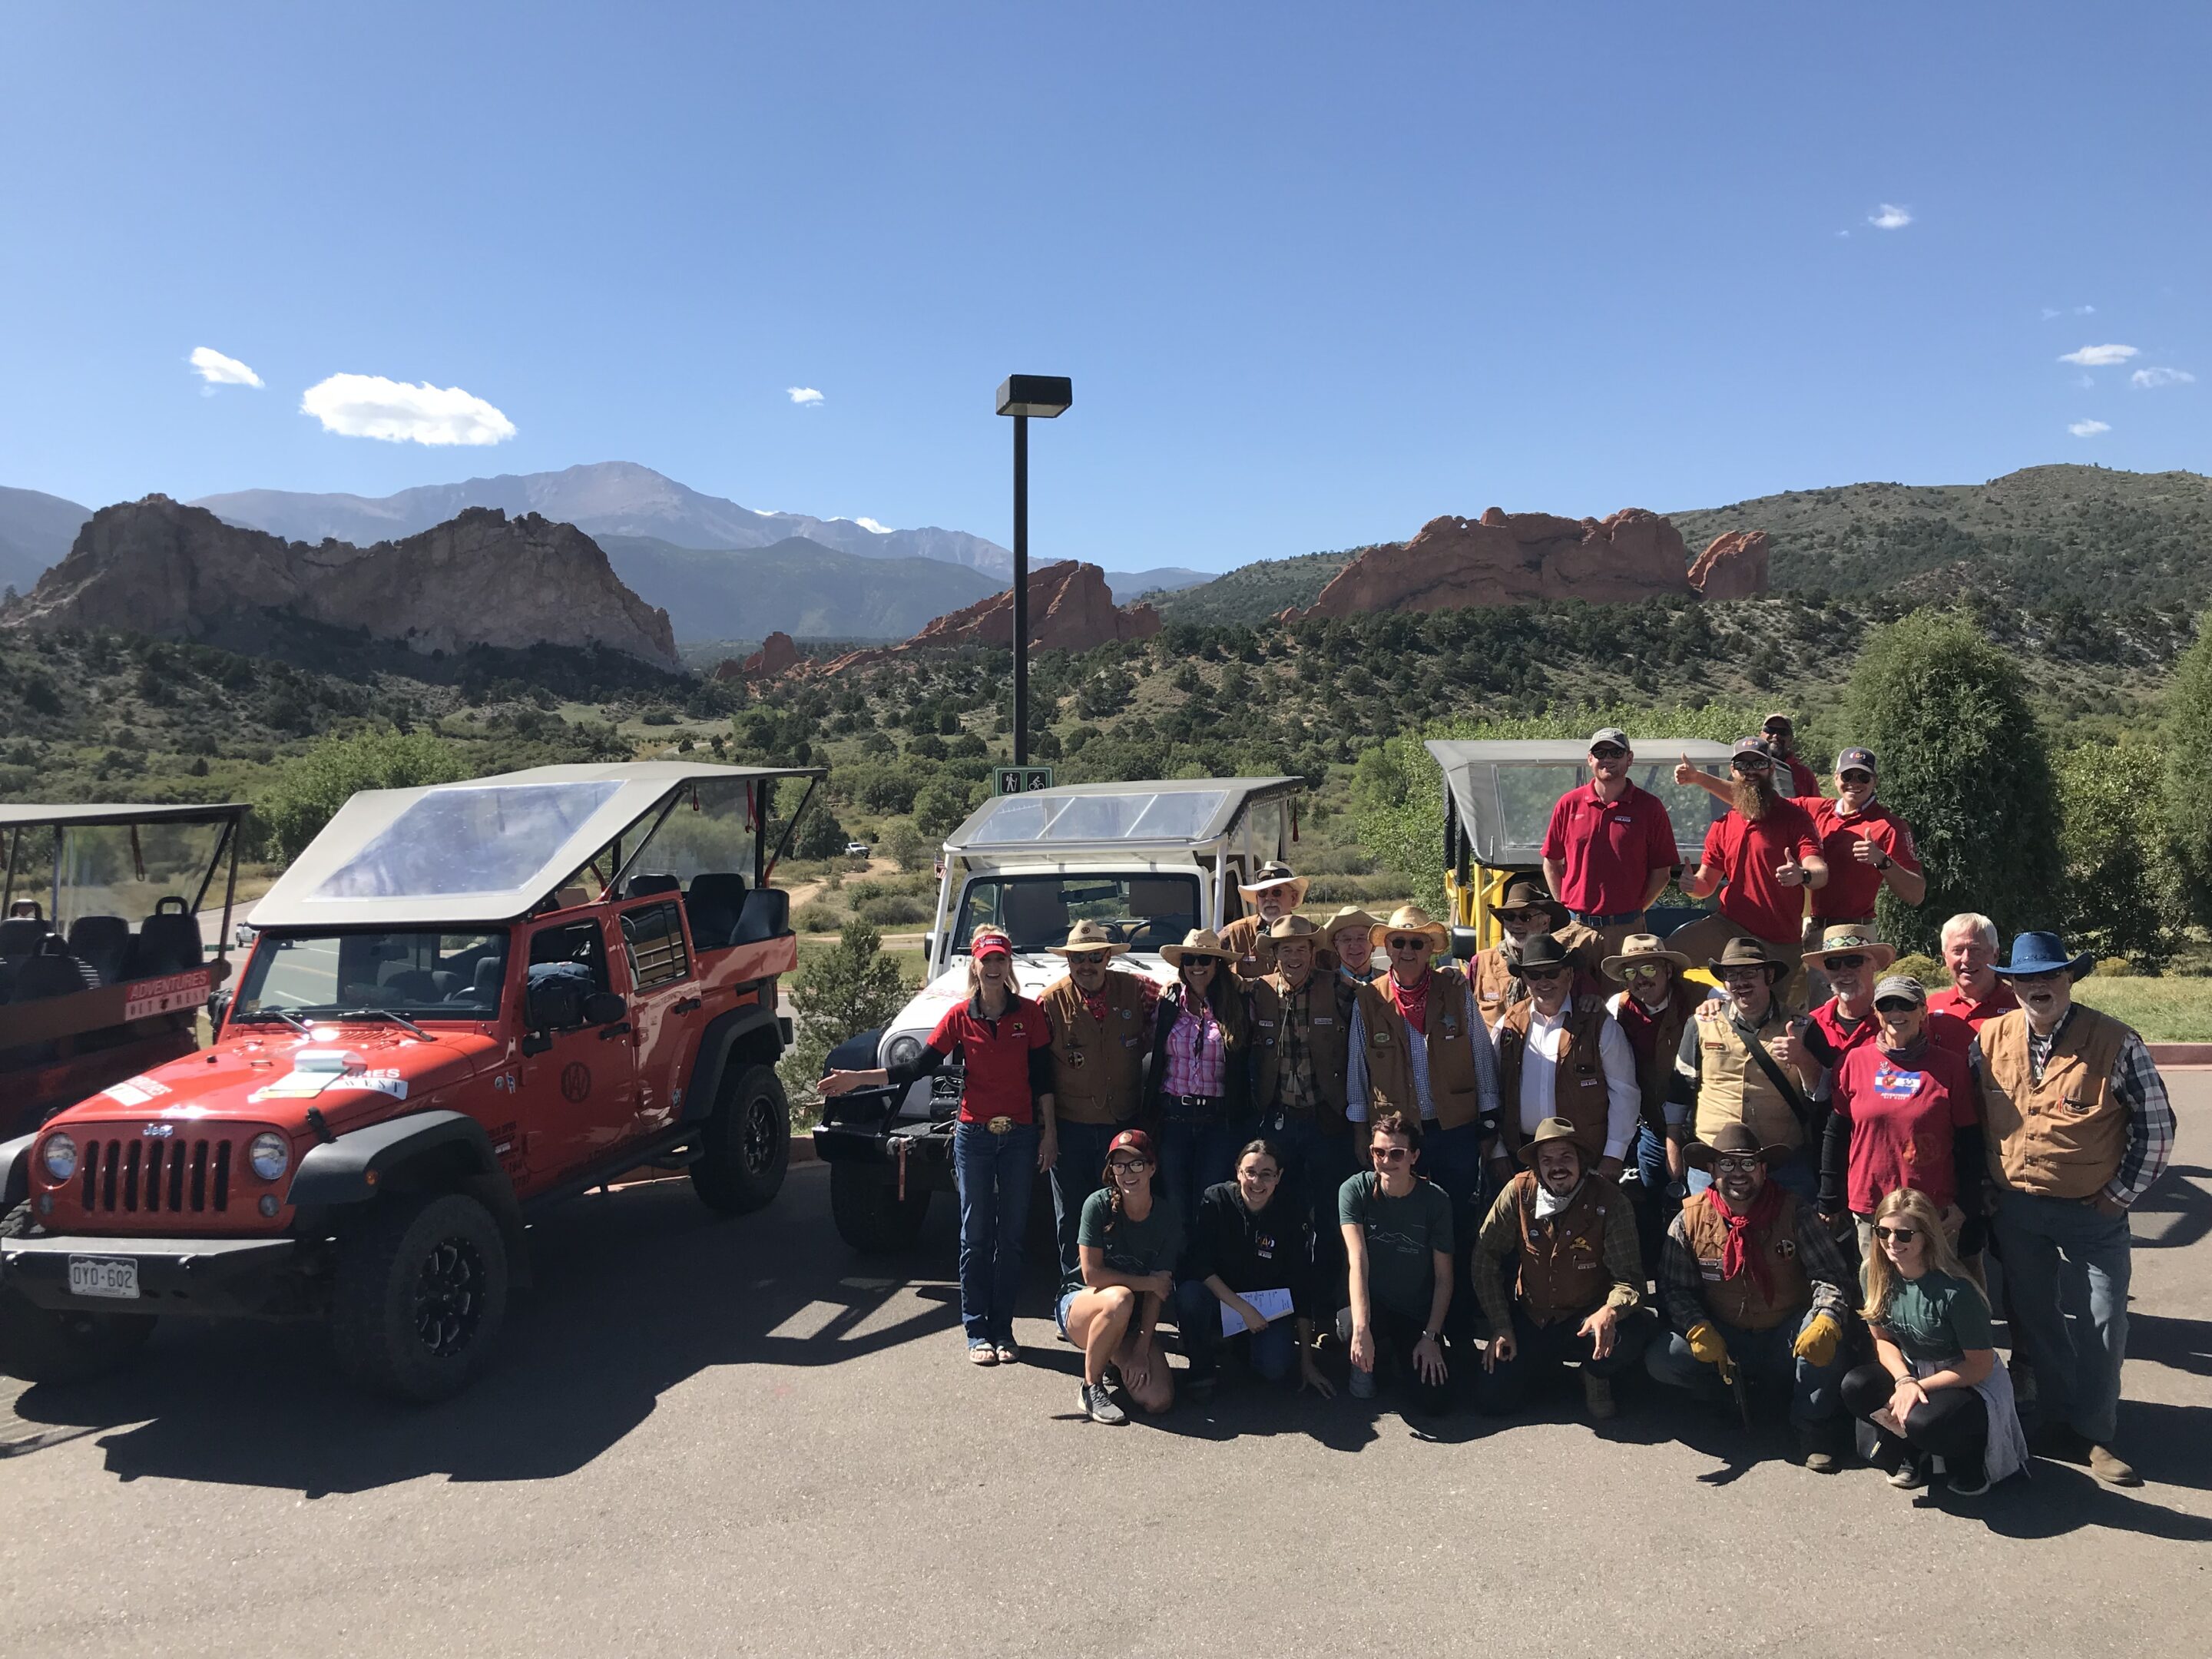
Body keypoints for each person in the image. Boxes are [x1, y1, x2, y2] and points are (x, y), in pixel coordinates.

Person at [1980, 932, 2175, 1486]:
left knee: (2103, 1323)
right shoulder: (1989, 1039)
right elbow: (1972, 1118)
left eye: (2051, 976)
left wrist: (2120, 1194)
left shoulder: (2115, 1040)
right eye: (2028, 978)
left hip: (2095, 1212)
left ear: (2069, 979)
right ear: (2012, 984)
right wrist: (1984, 1185)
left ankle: (2096, 1433)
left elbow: (2157, 1129)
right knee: (2039, 1322)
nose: (2039, 987)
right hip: (2017, 1210)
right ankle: (2058, 1422)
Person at [820, 927, 1055, 1366]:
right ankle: (976, 1329)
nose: (993, 967)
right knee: (975, 1236)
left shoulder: (1030, 1015)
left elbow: (1042, 1080)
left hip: (1021, 1136)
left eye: (1000, 959)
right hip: (974, 1137)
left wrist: (1050, 1132)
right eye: (986, 960)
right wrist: (856, 1080)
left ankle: (1003, 1328)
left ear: (1009, 967)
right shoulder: (958, 1018)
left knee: (1013, 1236)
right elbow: (915, 1067)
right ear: (975, 966)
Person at [1646, 1123, 1856, 1469]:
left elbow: (1831, 1276)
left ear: (1763, 1169)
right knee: (1665, 1357)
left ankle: (1813, 1427)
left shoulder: (1796, 1212)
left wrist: (1827, 1318)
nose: (1738, 1174)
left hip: (1785, 1335)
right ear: (1711, 1170)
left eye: (1747, 1164)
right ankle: (1725, 1397)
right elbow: (1674, 1287)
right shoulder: (1688, 1219)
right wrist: (1698, 1327)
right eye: (1727, 1164)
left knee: (1827, 1335)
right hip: (1725, 1335)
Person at [1842, 1188, 2028, 1495]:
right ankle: (1911, 1452)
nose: (1891, 1242)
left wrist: (1918, 1387)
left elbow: (1978, 1367)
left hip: (1965, 1378)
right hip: (1913, 1368)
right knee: (1856, 1386)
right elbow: (1882, 1340)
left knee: (1924, 1421)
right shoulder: (1872, 1272)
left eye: (1904, 1234)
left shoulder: (1958, 1292)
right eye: (1883, 1231)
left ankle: (1968, 1457)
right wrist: (1904, 1380)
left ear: (1927, 1235)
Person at [1471, 1117, 1653, 1421]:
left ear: (1581, 1161)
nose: (1557, 1166)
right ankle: (1541, 1365)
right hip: (1531, 1316)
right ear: (1537, 1167)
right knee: (1492, 1401)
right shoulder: (1518, 1192)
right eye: (1547, 1159)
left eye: (1566, 1157)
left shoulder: (1611, 1202)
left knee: (1631, 1334)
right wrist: (1501, 1325)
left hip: (1586, 1317)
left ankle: (1595, 1375)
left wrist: (1610, 1311)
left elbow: (1630, 1281)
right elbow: (1484, 1257)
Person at [1346, 906, 1504, 1236]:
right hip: (1398, 1133)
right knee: (1404, 1223)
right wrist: (1361, 1130)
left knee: (1458, 1218)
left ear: (1431, 950)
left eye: (1417, 944)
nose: (1407, 951)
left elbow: (1481, 1054)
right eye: (1399, 942)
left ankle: (1459, 1287)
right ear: (1387, 948)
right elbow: (1357, 1069)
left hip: (1455, 1129)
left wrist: (1489, 1119)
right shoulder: (1368, 998)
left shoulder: (1456, 990)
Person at [1820, 975, 1985, 1264]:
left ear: (1923, 1011)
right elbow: (1837, 1133)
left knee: (1935, 1295)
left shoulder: (1950, 1065)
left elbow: (1970, 1141)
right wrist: (1829, 1197)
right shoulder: (1853, 1062)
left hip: (1932, 1207)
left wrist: (1966, 1205)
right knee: (1878, 1294)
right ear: (1877, 1013)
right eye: (1886, 1005)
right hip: (1871, 1203)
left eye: (1905, 1005)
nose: (1896, 1013)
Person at [1679, 747, 1924, 943]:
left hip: (1854, 929)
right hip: (1812, 928)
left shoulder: (1891, 826)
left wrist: (1883, 861)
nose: (1854, 782)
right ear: (1837, 778)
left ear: (1875, 781)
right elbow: (1755, 797)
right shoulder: (1815, 809)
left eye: (1863, 777)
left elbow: (1916, 894)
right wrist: (1699, 778)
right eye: (1848, 775)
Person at [1039, 919, 1157, 1283]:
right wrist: (1048, 1131)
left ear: (1108, 957)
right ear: (1068, 962)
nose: (1086, 966)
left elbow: (1175, 1004)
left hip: (1122, 1124)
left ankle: (1121, 1291)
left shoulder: (1137, 990)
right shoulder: (1048, 1002)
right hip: (1072, 1125)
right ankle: (1073, 1293)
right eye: (1078, 959)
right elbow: (1039, 1072)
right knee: (1072, 1214)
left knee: (1120, 1210)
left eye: (1094, 957)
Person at [1671, 738, 1826, 1008]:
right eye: (1743, 764)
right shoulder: (1723, 825)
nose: (1751, 770)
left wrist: (1803, 874)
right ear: (1733, 771)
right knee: (1665, 957)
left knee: (1777, 1019)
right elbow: (1705, 885)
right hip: (1727, 927)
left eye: (1759, 763)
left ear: (1771, 769)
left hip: (1779, 939)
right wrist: (1690, 884)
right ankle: (1697, 1018)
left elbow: (1819, 871)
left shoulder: (1795, 819)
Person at [1667, 937, 1821, 1203]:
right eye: (1732, 975)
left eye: (1750, 973)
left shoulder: (1803, 1027)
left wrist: (1803, 1059)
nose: (1741, 982)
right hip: (1712, 1164)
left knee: (1789, 1239)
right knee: (1709, 1240)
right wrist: (1673, 1155)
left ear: (1769, 975)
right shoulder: (1701, 1023)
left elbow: (1822, 1093)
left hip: (1783, 1164)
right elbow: (1678, 1096)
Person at [1176, 1138, 1333, 1399]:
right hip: (1221, 1300)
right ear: (1238, 1171)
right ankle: (1202, 1367)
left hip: (1265, 1311)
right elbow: (1199, 1264)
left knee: (1275, 1368)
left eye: (1266, 1174)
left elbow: (1301, 1285)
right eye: (1250, 1172)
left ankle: (1238, 1346)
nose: (1257, 1182)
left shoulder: (1291, 1211)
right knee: (1189, 1295)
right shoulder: (1215, 1199)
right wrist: (1242, 1309)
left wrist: (1307, 1362)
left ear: (1279, 1177)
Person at [1488, 932, 1641, 1186]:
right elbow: (1490, 1088)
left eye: (1552, 973)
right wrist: (1497, 1151)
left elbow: (1625, 1093)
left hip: (1584, 1155)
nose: (1543, 981)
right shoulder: (1508, 1023)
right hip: (1521, 1154)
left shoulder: (1600, 1025)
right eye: (1534, 974)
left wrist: (1614, 1155)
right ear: (1525, 979)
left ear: (1569, 975)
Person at [1061, 1129, 1182, 1423]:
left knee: (1159, 1400)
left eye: (1137, 1164)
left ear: (1152, 1168)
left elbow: (1159, 1291)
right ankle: (1091, 1387)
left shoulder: (1167, 1217)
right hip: (1082, 1307)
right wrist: (1148, 1283)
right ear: (1111, 1171)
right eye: (1120, 1165)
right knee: (1120, 1298)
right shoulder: (1097, 1205)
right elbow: (1092, 1276)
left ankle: (1114, 1356)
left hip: (1130, 1321)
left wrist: (1141, 1349)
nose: (1128, 1173)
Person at [1250, 914, 1357, 1243]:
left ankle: (1327, 1289)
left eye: (1301, 949)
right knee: (1282, 1207)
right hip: (1278, 1118)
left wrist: (1445, 974)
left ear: (1313, 953)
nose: (1294, 958)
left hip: (1326, 1119)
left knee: (1330, 1210)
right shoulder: (1258, 991)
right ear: (1275, 955)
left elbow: (1379, 997)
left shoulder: (1339, 986)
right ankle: (1287, 1284)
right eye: (1286, 950)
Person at [1601, 932, 1708, 1260]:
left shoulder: (1706, 998)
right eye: (1630, 973)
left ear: (1668, 970)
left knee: (1703, 1209)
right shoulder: (1615, 1008)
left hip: (1702, 1129)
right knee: (1653, 1205)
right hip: (1651, 1128)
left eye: (1647, 969)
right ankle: (1663, 1285)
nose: (1639, 980)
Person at [1337, 1111, 1454, 1412]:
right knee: (1352, 1327)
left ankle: (1396, 1354)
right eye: (1378, 1152)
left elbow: (1443, 1277)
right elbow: (1357, 1259)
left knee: (1435, 1403)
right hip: (1371, 1304)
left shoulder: (1436, 1201)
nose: (1386, 1160)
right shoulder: (1354, 1190)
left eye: (1397, 1153)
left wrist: (1431, 1335)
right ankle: (1365, 1352)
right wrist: (1363, 1329)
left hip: (1414, 1310)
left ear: (1414, 1156)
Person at [1143, 927, 1256, 1233]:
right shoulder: (1166, 1005)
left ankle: (1206, 1275)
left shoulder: (1240, 1004)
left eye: (1205, 959)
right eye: (1190, 959)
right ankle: (1178, 1275)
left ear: (1217, 964)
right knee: (1175, 1203)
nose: (1197, 966)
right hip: (1174, 1118)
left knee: (1211, 1201)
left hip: (1218, 1121)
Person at [1541, 726, 1681, 960]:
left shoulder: (1650, 808)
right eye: (1600, 753)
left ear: (1630, 759)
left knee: (1623, 997)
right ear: (1590, 760)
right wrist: (1563, 908)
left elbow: (1662, 873)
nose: (1607, 759)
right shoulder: (1569, 804)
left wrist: (1634, 912)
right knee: (1573, 995)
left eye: (1616, 753)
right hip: (1575, 928)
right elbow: (1551, 862)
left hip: (1627, 932)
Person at [1469, 875, 1598, 1025]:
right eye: (1509, 916)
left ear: (1545, 922)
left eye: (1525, 917)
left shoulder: (1565, 963)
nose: (1516, 924)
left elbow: (1592, 1002)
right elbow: (1461, 1008)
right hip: (1491, 1047)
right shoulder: (1481, 963)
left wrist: (1593, 999)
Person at [1927, 912, 2019, 1033]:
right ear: (1945, 957)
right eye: (1958, 951)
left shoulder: (2020, 1005)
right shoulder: (1930, 1007)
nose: (1966, 958)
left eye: (1976, 950)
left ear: (1995, 955)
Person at [1220, 861, 1313, 980]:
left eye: (1277, 892)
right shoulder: (1235, 933)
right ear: (1257, 899)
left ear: (1293, 898)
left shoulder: (1312, 934)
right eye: (1262, 893)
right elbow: (1205, 964)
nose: (1269, 898)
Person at [1760, 713, 1823, 800]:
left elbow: (1816, 809)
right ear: (1761, 735)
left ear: (1791, 739)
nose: (1775, 736)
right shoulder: (1747, 769)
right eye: (1770, 730)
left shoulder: (1804, 774)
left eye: (1783, 732)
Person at [1326, 906, 1382, 985]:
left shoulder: (1389, 984)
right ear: (1336, 946)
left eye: (1361, 938)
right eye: (1347, 940)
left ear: (1374, 944)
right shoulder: (1324, 986)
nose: (1354, 945)